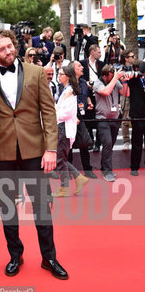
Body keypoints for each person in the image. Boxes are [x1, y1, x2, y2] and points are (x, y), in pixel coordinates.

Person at [0, 29, 68, 280]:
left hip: (34, 150)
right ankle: (15, 255)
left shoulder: (36, 72)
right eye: (2, 49)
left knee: (41, 205)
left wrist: (51, 148)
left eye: (10, 46)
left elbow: (48, 113)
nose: (8, 51)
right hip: (2, 151)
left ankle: (49, 257)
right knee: (8, 207)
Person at [52, 66, 89, 197]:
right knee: (60, 158)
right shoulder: (67, 90)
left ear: (67, 76)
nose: (59, 76)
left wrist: (53, 114)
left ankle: (65, 188)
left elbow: (66, 112)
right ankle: (78, 178)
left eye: (61, 74)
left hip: (63, 128)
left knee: (60, 158)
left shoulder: (69, 91)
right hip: (62, 127)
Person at [93, 64, 129, 181]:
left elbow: (126, 93)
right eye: (112, 75)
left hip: (114, 118)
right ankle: (107, 171)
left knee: (111, 144)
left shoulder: (114, 80)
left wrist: (124, 81)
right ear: (105, 76)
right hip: (102, 119)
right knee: (107, 143)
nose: (114, 76)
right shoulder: (98, 83)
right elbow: (106, 92)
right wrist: (116, 78)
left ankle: (104, 167)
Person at [69, 60, 98, 179]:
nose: (82, 67)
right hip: (70, 117)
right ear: (72, 69)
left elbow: (86, 96)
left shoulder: (83, 82)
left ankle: (88, 169)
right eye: (79, 66)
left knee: (84, 143)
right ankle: (69, 171)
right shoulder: (67, 83)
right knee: (69, 145)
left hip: (83, 116)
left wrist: (89, 103)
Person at [80, 44, 105, 152]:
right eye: (98, 52)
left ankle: (98, 144)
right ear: (92, 52)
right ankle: (90, 140)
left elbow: (104, 77)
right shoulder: (82, 64)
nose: (100, 54)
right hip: (87, 93)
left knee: (99, 118)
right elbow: (80, 78)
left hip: (99, 93)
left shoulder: (101, 64)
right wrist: (86, 84)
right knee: (87, 118)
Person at [128, 61, 145, 176]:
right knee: (136, 142)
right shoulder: (133, 79)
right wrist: (139, 73)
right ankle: (134, 166)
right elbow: (128, 75)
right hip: (137, 115)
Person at [119, 49, 136, 151]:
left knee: (139, 120)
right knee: (125, 120)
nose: (134, 58)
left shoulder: (137, 68)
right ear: (126, 58)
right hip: (125, 95)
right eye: (132, 56)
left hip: (137, 95)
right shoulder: (120, 69)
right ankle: (126, 142)